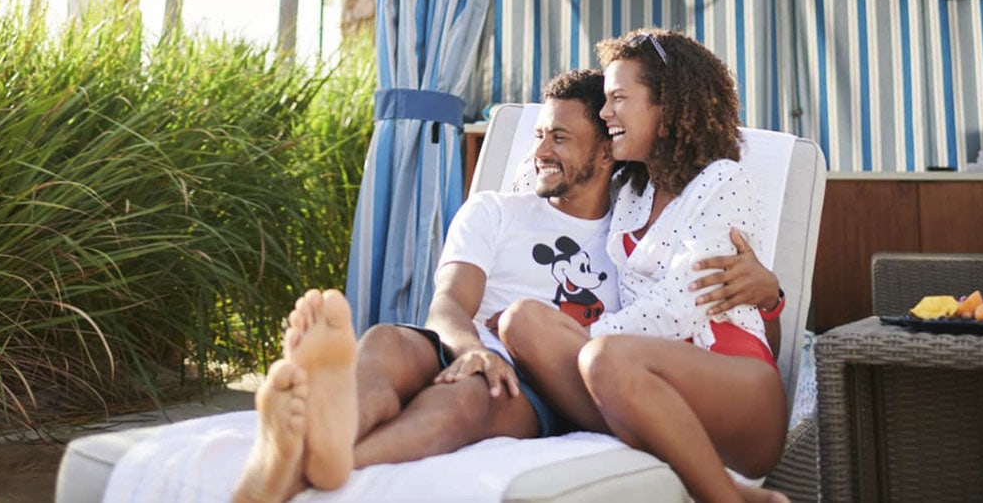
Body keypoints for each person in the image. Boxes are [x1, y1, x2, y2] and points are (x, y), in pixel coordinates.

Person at [232, 69, 781, 503]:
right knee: (385, 344)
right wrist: (471, 350)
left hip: (545, 380)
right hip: (466, 343)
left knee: (462, 405)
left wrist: (768, 292)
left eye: (560, 138)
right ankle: (321, 429)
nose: (541, 150)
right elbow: (448, 304)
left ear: (608, 151)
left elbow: (693, 312)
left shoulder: (631, 234)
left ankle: (316, 465)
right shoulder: (494, 210)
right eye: (540, 134)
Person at [497, 29, 788, 503]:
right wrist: (565, 136)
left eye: (617, 99)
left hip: (734, 379)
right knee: (524, 321)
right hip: (638, 377)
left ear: (667, 106)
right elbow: (541, 177)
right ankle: (697, 465)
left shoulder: (722, 180)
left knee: (605, 356)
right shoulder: (630, 190)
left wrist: (588, 347)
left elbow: (686, 304)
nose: (605, 113)